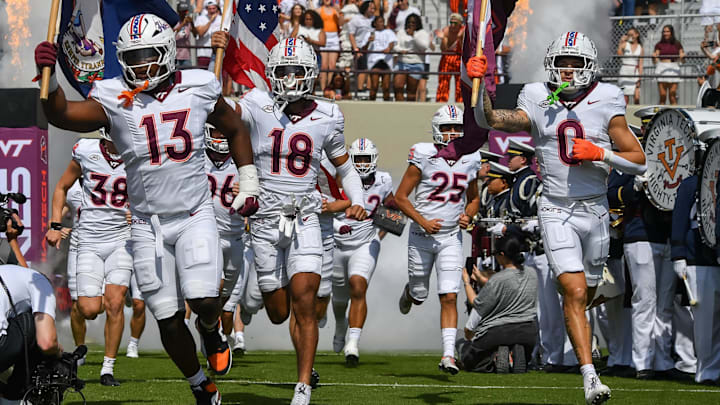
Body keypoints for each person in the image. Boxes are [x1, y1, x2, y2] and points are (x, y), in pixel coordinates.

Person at [35, 12, 258, 404]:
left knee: (205, 299)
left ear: (169, 52)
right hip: (144, 224)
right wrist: (46, 75)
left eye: (148, 55)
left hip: (193, 213)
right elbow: (61, 114)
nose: (141, 66)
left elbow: (236, 128)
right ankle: (198, 384)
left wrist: (249, 178)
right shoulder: (113, 95)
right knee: (168, 319)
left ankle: (210, 327)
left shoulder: (199, 85)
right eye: (133, 58)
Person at [467, 31, 647, 404]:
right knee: (575, 292)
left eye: (575, 62)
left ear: (589, 66)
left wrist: (600, 152)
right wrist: (479, 84)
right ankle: (590, 377)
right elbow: (492, 120)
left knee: (591, 292)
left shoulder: (607, 98)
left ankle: (582, 327)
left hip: (595, 209)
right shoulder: (537, 96)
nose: (567, 69)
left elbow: (638, 161)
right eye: (561, 61)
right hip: (555, 208)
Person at [212, 33, 367, 404]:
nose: (291, 78)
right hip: (265, 221)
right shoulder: (256, 102)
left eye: (298, 71)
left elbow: (344, 167)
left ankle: (302, 386)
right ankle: (229, 324)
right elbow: (217, 112)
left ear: (311, 73)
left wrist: (357, 198)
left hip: (306, 216)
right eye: (284, 70)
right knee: (280, 313)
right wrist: (214, 69)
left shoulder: (329, 114)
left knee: (305, 300)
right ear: (270, 72)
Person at [395, 105, 482, 374]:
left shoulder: (471, 157)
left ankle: (447, 355)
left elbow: (474, 199)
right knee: (421, 294)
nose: (453, 133)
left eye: (457, 128)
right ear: (437, 129)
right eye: (448, 128)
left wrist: (468, 216)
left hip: (450, 238)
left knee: (449, 295)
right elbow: (400, 197)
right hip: (422, 236)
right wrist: (422, 221)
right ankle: (410, 292)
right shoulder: (424, 154)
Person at [45, 134, 131, 387]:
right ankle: (81, 345)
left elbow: (155, 189)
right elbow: (61, 187)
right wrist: (55, 225)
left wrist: (137, 213)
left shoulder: (137, 151)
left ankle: (108, 368)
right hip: (89, 241)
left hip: (121, 239)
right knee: (89, 309)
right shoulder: (85, 150)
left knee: (115, 302)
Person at [332, 138, 395, 365]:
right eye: (356, 159)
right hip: (337, 243)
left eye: (364, 159)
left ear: (374, 159)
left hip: (365, 243)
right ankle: (340, 324)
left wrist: (379, 235)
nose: (360, 164)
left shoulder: (383, 180)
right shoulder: (339, 179)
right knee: (339, 298)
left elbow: (393, 210)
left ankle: (353, 343)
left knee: (358, 286)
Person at [671, 141, 718, 385]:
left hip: (713, 258)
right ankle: (706, 370)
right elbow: (680, 218)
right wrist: (678, 253)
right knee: (705, 321)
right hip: (698, 258)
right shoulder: (690, 185)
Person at [457, 233, 538, 373]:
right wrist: (482, 279)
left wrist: (466, 282)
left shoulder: (498, 279)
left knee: (465, 351)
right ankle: (513, 354)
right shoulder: (532, 273)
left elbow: (477, 303)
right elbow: (510, 288)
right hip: (528, 331)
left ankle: (494, 359)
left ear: (502, 254)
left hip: (498, 332)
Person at [203, 121, 250, 359]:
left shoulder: (244, 164)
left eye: (224, 131)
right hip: (206, 235)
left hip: (234, 237)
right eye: (216, 132)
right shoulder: (195, 159)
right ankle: (209, 334)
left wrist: (248, 193)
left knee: (226, 305)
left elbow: (258, 204)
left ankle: (215, 336)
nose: (220, 137)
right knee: (214, 287)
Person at [0, 265, 60, 401]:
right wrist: (57, 351)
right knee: (34, 325)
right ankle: (14, 396)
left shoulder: (8, 272)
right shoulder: (41, 283)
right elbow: (47, 343)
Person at [393, 14, 430, 101]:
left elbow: (424, 47)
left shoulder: (422, 33)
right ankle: (400, 108)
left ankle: (409, 111)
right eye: (409, 22)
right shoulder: (401, 32)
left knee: (411, 92)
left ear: (418, 23)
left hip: (416, 63)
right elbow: (395, 46)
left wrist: (414, 35)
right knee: (398, 86)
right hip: (402, 62)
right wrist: (401, 50)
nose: (411, 24)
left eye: (413, 22)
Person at [349, 1, 377, 92]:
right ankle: (360, 89)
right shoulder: (356, 19)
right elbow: (351, 34)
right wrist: (356, 49)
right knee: (362, 68)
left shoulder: (374, 19)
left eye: (374, 8)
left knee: (370, 69)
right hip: (360, 47)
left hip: (372, 48)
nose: (373, 10)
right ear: (365, 8)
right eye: (371, 8)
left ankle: (369, 89)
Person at [436, 13, 464, 103]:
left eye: (455, 23)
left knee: (460, 84)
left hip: (459, 57)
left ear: (460, 23)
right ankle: (441, 102)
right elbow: (443, 49)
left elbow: (464, 48)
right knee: (443, 82)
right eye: (451, 22)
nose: (452, 25)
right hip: (447, 57)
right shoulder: (446, 30)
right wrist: (444, 38)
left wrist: (460, 38)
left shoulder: (463, 30)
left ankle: (460, 103)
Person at [366, 16, 396, 101]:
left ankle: (386, 107)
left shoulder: (389, 32)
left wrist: (389, 48)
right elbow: (364, 48)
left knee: (386, 87)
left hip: (386, 61)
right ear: (375, 23)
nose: (381, 23)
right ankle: (371, 106)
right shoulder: (369, 33)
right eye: (379, 22)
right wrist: (369, 41)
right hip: (374, 61)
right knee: (374, 86)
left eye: (382, 21)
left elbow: (392, 42)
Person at [653, 25, 684, 105]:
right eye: (664, 31)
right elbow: (655, 60)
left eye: (667, 31)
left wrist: (682, 57)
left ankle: (675, 114)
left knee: (672, 95)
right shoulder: (659, 44)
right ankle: (660, 115)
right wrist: (654, 57)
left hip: (674, 67)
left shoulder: (677, 44)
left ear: (671, 33)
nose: (665, 33)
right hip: (662, 67)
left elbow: (683, 59)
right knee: (662, 96)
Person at [318, 0, 342, 90]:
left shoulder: (335, 10)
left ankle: (329, 87)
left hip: (334, 37)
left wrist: (340, 12)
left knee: (332, 65)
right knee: (324, 65)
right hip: (324, 36)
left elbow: (341, 24)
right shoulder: (319, 10)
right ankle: (323, 88)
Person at [617, 28, 643, 105]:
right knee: (625, 97)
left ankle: (636, 116)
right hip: (625, 71)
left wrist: (640, 77)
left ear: (637, 35)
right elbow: (619, 55)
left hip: (635, 72)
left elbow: (641, 64)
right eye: (628, 35)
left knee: (637, 97)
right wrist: (621, 42)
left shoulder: (640, 47)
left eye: (632, 35)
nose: (630, 37)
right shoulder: (625, 44)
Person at [194, 0, 222, 69]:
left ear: (217, 8)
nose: (212, 11)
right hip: (203, 53)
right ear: (206, 9)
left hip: (217, 53)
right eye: (210, 9)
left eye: (214, 8)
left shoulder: (221, 19)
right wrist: (210, 21)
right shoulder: (200, 18)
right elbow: (200, 33)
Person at [174, 2, 197, 68]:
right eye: (182, 11)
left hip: (186, 56)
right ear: (178, 12)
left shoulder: (188, 23)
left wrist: (192, 23)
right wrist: (182, 24)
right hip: (176, 56)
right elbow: (173, 33)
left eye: (186, 11)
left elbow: (195, 35)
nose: (184, 13)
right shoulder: (175, 21)